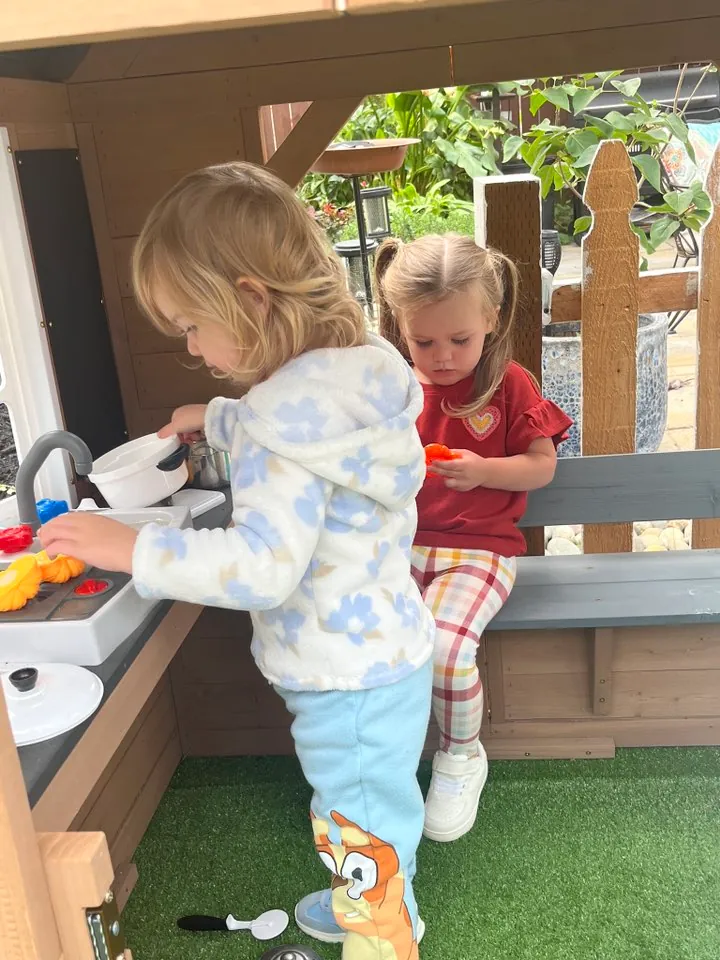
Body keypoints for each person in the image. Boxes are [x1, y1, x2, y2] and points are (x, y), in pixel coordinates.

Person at [39, 163, 435, 960]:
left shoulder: (277, 422)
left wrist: (135, 547)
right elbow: (306, 426)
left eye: (191, 324)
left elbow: (261, 568)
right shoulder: (360, 366)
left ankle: (382, 936)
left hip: (342, 672)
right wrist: (224, 417)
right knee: (369, 806)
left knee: (356, 816)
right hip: (383, 652)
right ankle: (381, 902)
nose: (188, 346)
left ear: (252, 301)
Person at [376, 234, 572, 844]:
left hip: (480, 551)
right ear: (398, 327)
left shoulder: (508, 384)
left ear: (490, 318)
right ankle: (388, 762)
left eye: (459, 339)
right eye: (422, 341)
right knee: (374, 645)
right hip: (398, 548)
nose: (440, 357)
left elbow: (542, 466)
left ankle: (461, 755)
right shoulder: (390, 386)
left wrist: (484, 469)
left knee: (444, 647)